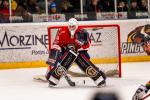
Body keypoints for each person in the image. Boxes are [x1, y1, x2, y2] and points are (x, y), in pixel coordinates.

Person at [45, 18, 106, 87]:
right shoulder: (62, 31)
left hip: (80, 52)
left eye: (73, 26)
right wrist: (56, 50)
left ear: (76, 25)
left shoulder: (82, 32)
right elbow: (56, 43)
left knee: (81, 59)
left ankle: (99, 77)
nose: (71, 28)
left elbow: (88, 45)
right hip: (65, 52)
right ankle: (52, 77)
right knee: (67, 57)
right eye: (70, 26)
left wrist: (83, 43)